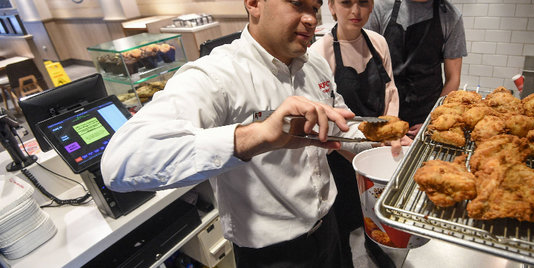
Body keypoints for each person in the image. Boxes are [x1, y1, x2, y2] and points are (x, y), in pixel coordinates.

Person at [100, 0, 394, 265]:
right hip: (271, 253)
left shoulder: (315, 64)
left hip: (330, 225)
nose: (311, 19)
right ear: (254, 4)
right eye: (296, 4)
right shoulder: (215, 74)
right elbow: (120, 162)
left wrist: (386, 143)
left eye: (314, 8)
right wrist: (256, 136)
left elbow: (341, 126)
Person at [310, 0, 411, 266]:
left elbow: (390, 95)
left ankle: (375, 248)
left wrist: (388, 136)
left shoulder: (378, 43)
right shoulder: (319, 53)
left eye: (363, 3)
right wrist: (359, 155)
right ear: (331, 7)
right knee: (342, 219)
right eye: (346, 2)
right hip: (339, 154)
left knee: (375, 211)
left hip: (377, 150)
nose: (356, 11)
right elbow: (328, 119)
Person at [364, 0, 467, 137]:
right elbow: (367, 67)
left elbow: (453, 78)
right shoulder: (381, 8)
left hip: (427, 110)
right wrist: (386, 116)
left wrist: (432, 121)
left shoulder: (450, 16)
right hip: (384, 108)